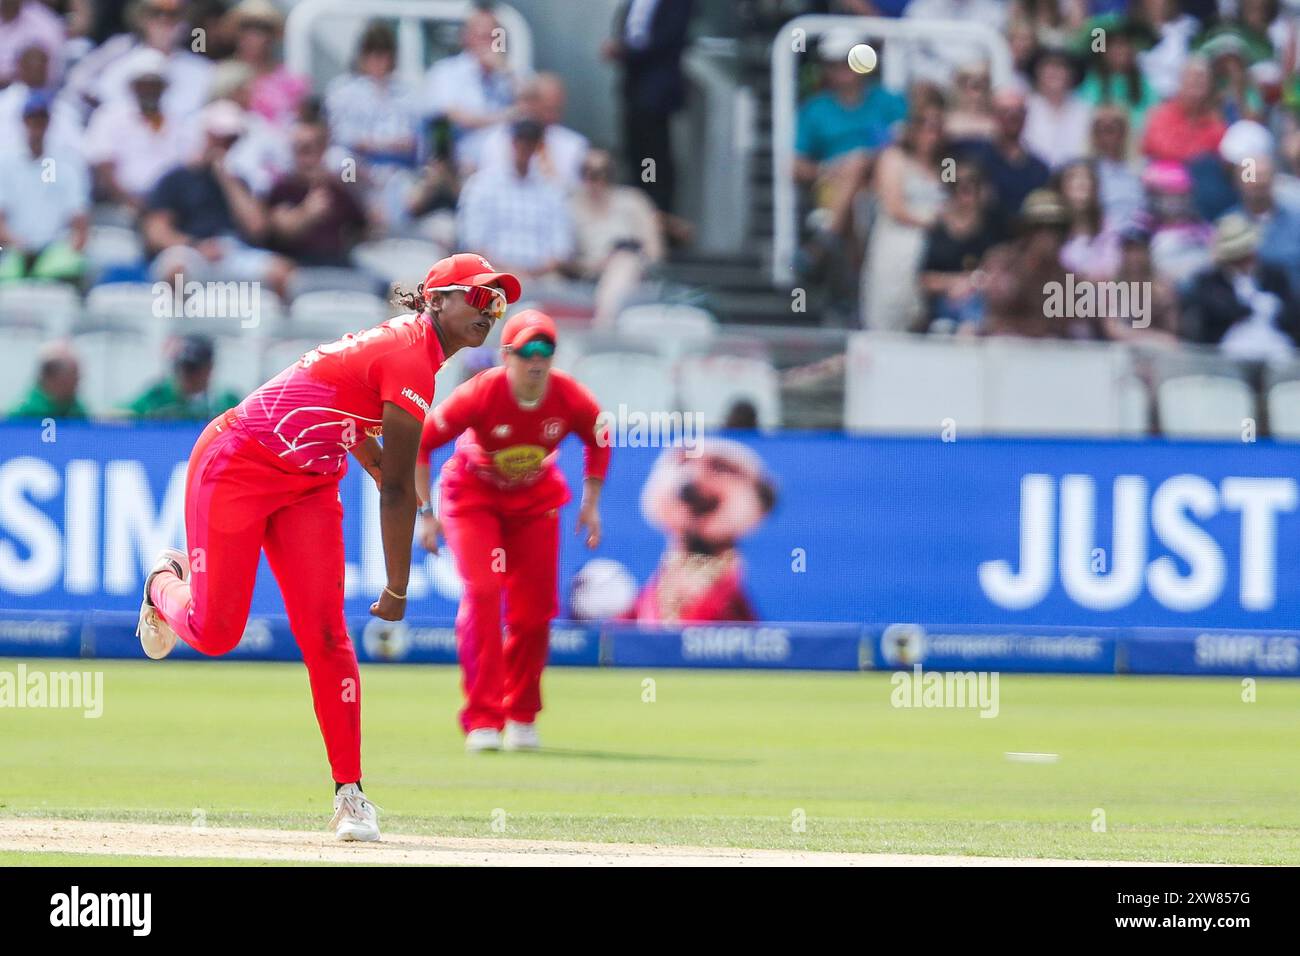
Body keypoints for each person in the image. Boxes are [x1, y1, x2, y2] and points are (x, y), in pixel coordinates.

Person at [136, 252, 522, 841]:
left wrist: (387, 478)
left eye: (497, 302)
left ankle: (350, 794)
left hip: (309, 481)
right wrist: (397, 587)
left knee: (325, 635)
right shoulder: (411, 354)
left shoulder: (414, 349)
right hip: (236, 463)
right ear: (437, 298)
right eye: (478, 296)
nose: (489, 311)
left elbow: (352, 421)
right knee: (216, 633)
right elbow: (395, 488)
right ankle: (164, 580)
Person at [415, 309, 608, 753]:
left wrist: (591, 503)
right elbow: (422, 442)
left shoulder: (569, 397)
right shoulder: (480, 394)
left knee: (533, 612)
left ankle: (521, 714)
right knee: (483, 593)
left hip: (534, 504)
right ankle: (483, 718)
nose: (536, 361)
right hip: (474, 498)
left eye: (545, 352)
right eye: (526, 352)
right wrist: (426, 513)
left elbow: (599, 435)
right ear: (506, 355)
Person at [142, 99, 294, 298]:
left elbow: (257, 228)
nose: (224, 144)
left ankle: (265, 328)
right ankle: (177, 328)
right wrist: (196, 245)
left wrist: (225, 178)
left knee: (283, 273)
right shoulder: (175, 178)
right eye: (217, 137)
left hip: (232, 251)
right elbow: (157, 232)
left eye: (230, 139)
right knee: (176, 271)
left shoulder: (239, 181)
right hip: (189, 250)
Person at [860, 106, 947, 330]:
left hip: (933, 250)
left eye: (937, 129)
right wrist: (931, 220)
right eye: (926, 128)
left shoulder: (946, 165)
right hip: (897, 246)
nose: (932, 135)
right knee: (890, 310)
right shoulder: (894, 158)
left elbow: (952, 200)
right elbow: (894, 206)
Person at [603, 0, 694, 214]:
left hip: (656, 93)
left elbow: (667, 38)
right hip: (633, 89)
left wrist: (626, 51)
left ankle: (655, 206)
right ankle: (640, 200)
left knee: (651, 156)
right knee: (636, 151)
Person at [457, 118, 575, 281]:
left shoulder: (552, 190)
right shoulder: (482, 185)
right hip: (492, 274)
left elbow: (561, 250)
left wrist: (530, 275)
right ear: (512, 142)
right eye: (521, 140)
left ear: (538, 146)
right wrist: (508, 272)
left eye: (531, 142)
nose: (525, 147)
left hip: (541, 278)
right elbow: (473, 243)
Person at [0, 91, 90, 284]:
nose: (36, 125)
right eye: (32, 119)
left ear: (48, 122)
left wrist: (68, 249)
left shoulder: (67, 165)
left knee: (66, 266)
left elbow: (79, 222)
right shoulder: (5, 164)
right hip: (13, 252)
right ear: (24, 122)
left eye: (41, 119)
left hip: (55, 253)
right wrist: (19, 245)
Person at [568, 147, 664, 326]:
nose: (594, 180)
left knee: (624, 262)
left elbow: (654, 251)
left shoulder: (634, 201)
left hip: (635, 270)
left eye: (601, 173)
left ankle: (603, 322)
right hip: (589, 273)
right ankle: (605, 324)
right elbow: (565, 259)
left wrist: (622, 257)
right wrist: (599, 264)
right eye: (586, 172)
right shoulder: (570, 207)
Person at [267, 117, 371, 267]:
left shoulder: (337, 189)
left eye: (307, 149)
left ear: (322, 151)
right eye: (296, 149)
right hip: (299, 267)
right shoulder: (283, 189)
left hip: (337, 266)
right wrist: (307, 213)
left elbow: (364, 228)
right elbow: (283, 230)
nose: (303, 159)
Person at [124, 334, 243, 420]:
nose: (186, 375)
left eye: (193, 368)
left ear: (209, 369)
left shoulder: (226, 401)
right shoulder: (158, 396)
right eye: (181, 367)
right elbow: (120, 413)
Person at [7, 342, 85, 420]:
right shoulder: (21, 414)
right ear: (53, 378)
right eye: (74, 375)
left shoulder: (78, 411)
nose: (78, 380)